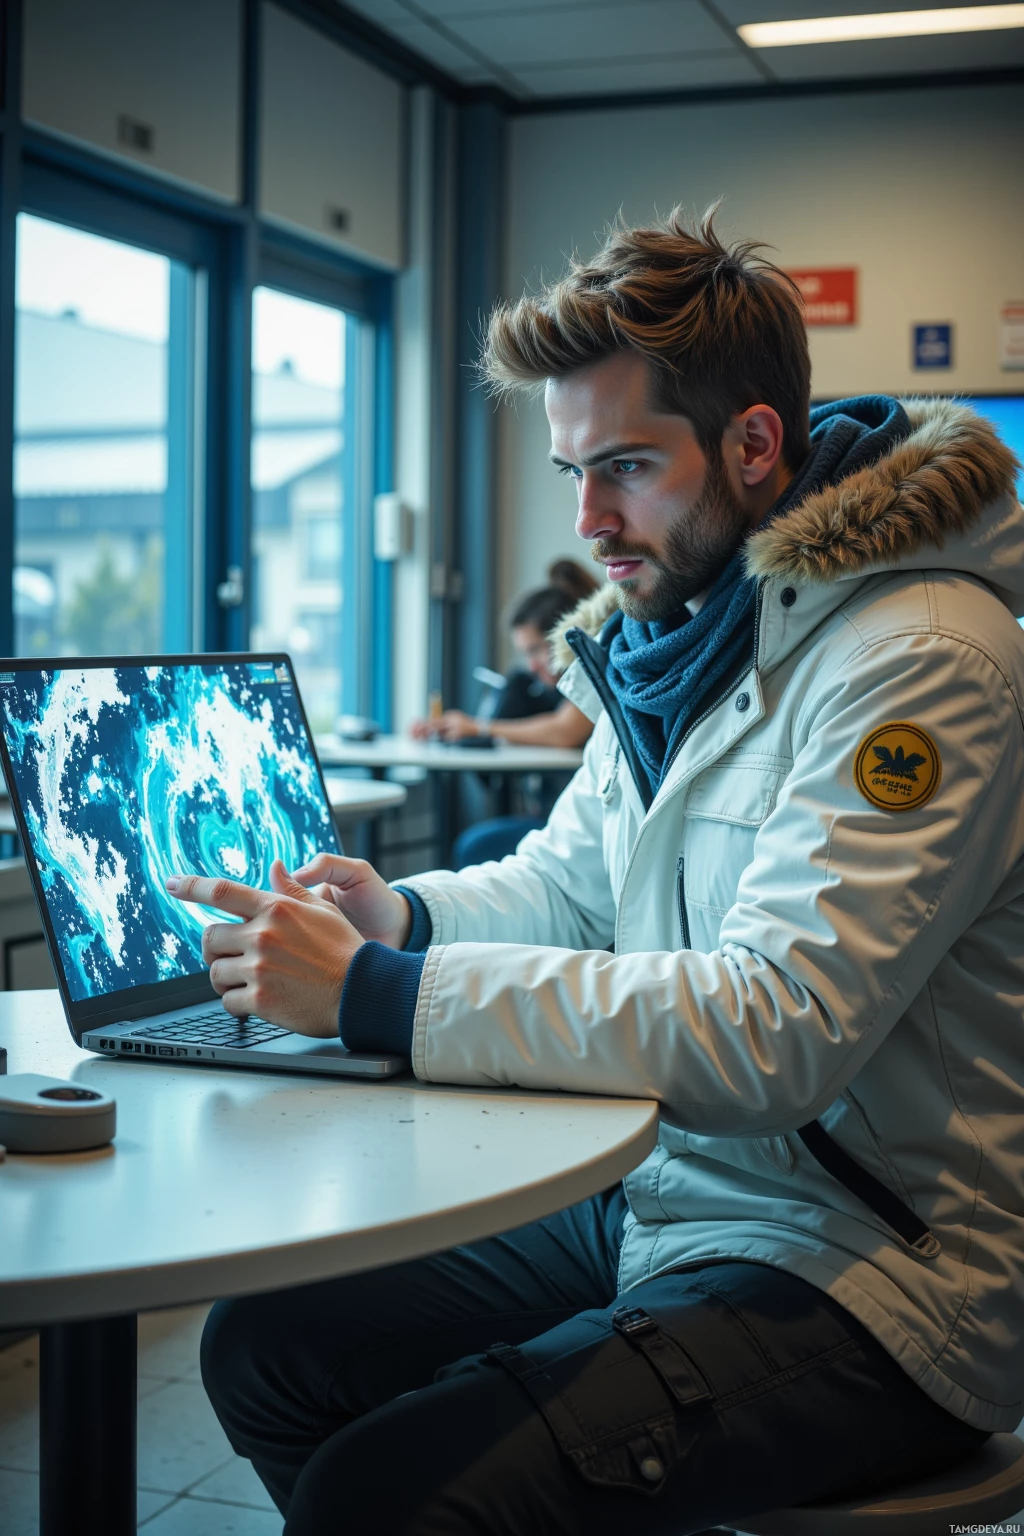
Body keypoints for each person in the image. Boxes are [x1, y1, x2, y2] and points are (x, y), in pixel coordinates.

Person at [168, 207, 1024, 1536]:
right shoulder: (687, 634)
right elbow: (567, 886)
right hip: (679, 1195)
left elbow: (775, 1029)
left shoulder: (919, 661)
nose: (590, 519)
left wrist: (381, 996)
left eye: (624, 465)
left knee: (381, 1499)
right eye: (574, 470)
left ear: (753, 444)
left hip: (879, 1272)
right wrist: (397, 914)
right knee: (267, 1347)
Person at [411, 559, 599, 865]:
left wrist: (479, 728)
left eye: (536, 649)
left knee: (474, 847)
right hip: (571, 818)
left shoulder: (595, 671)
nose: (531, 665)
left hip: (587, 830)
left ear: (566, 636)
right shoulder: (555, 691)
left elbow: (564, 730)